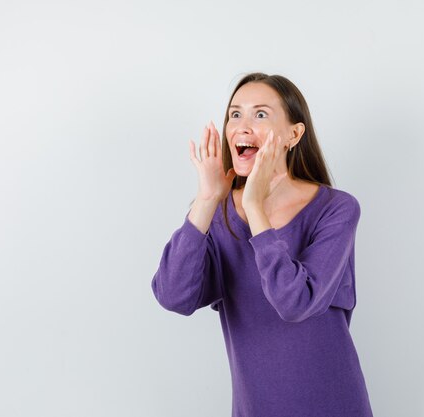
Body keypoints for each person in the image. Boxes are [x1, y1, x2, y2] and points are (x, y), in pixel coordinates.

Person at [151, 73, 374, 417]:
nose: (242, 125)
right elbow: (173, 295)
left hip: (335, 404)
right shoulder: (218, 213)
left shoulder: (337, 209)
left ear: (293, 135)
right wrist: (207, 199)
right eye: (235, 114)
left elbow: (295, 302)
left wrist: (255, 208)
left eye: (260, 114)